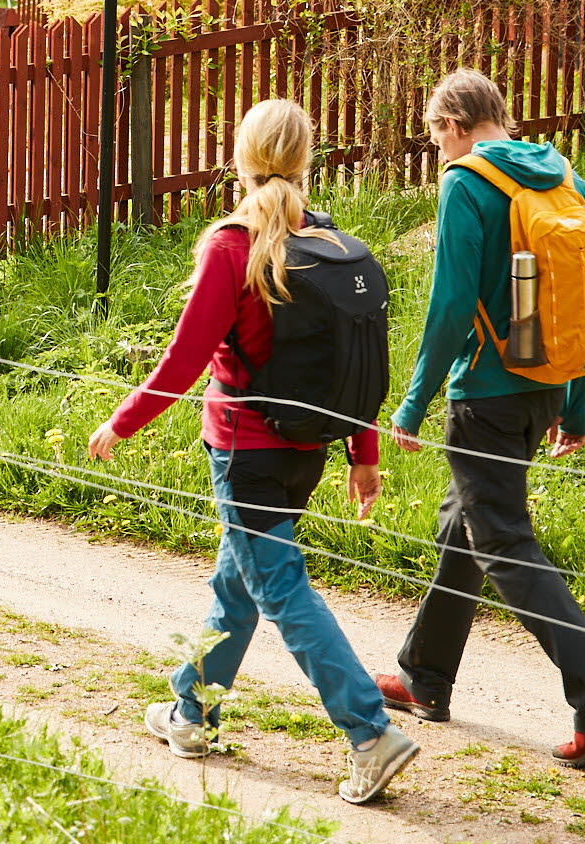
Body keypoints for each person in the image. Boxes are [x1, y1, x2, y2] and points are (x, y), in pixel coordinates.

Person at [87, 98, 419, 806]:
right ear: (306, 159)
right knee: (236, 585)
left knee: (279, 591)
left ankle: (370, 730)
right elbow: (359, 357)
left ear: (239, 158)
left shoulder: (232, 245)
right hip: (307, 448)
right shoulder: (330, 241)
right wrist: (364, 453)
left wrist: (123, 421)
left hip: (244, 451)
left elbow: (183, 358)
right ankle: (192, 710)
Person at [381, 69, 585, 767]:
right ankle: (423, 675)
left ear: (457, 124)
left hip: (488, 393)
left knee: (502, 538)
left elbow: (450, 303)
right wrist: (574, 404)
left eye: (438, 134)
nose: (439, 149)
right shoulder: (562, 176)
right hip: (542, 387)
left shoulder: (467, 182)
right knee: (462, 522)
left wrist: (413, 400)